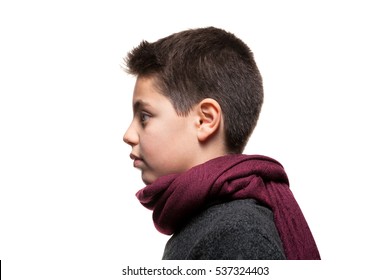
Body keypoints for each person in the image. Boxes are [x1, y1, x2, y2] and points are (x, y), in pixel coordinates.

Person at [122, 27, 320, 260]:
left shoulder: (237, 234)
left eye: (144, 116)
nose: (128, 135)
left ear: (205, 120)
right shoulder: (209, 225)